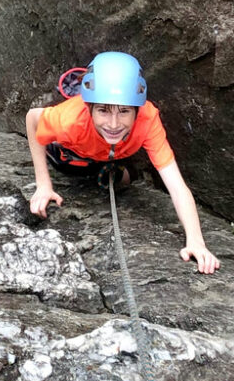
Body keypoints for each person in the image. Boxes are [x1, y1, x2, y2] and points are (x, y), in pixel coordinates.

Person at [25, 51, 220, 275]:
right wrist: (43, 184)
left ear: (137, 109)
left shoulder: (147, 120)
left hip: (113, 153)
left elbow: (176, 185)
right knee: (73, 167)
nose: (114, 123)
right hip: (71, 151)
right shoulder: (70, 120)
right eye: (103, 110)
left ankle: (110, 167)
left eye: (125, 111)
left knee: (124, 180)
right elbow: (32, 118)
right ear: (89, 108)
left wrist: (196, 241)